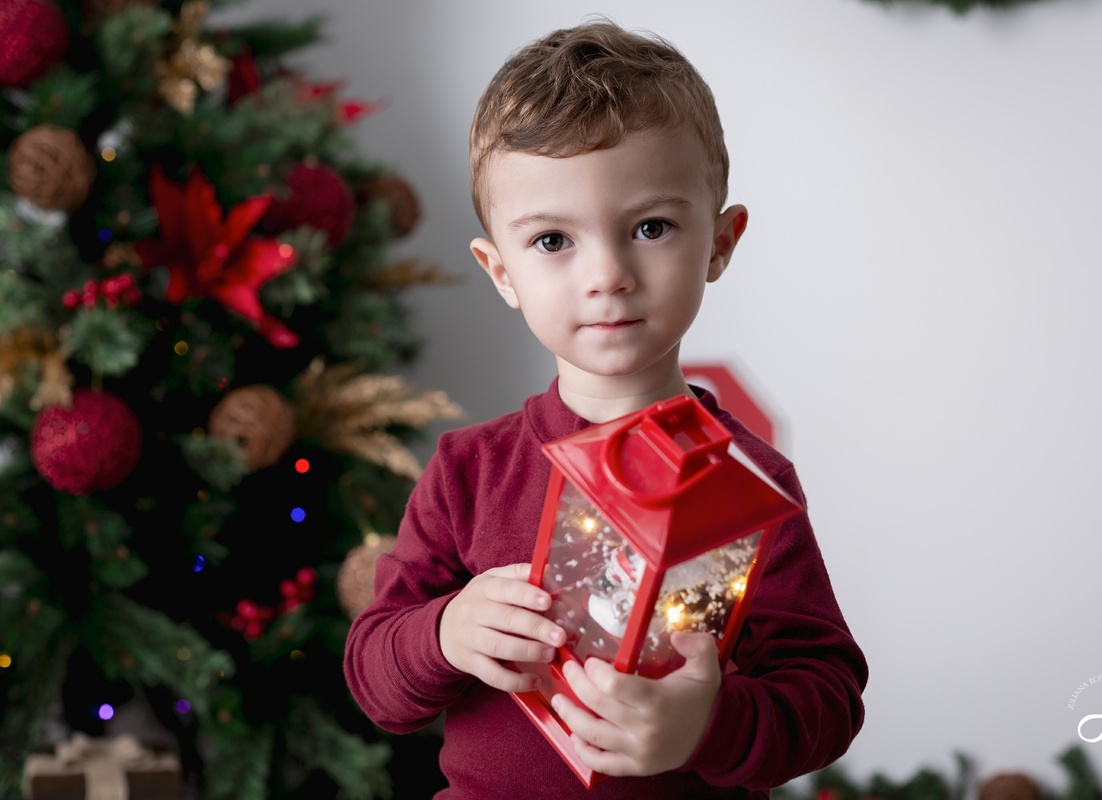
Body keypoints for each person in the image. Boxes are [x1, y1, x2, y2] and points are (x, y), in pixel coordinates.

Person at [344, 19, 867, 799]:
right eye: (553, 241)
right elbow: (376, 681)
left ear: (719, 243)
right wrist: (445, 633)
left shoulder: (750, 485)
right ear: (501, 271)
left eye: (650, 228)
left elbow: (827, 698)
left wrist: (710, 725)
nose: (608, 274)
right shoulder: (467, 473)